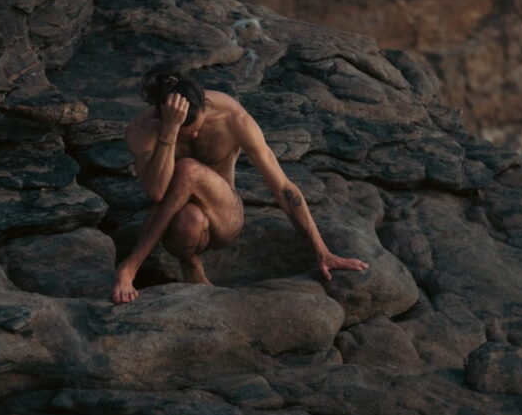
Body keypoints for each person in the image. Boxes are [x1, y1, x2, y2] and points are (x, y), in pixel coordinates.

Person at [111, 61, 369, 304]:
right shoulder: (142, 130)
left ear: (203, 101)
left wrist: (322, 251)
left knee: (187, 169)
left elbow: (283, 187)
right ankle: (191, 266)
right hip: (178, 223)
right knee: (189, 218)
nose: (197, 133)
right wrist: (169, 132)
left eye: (198, 124)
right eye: (188, 131)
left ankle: (130, 266)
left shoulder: (231, 116)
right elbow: (156, 192)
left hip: (225, 215)